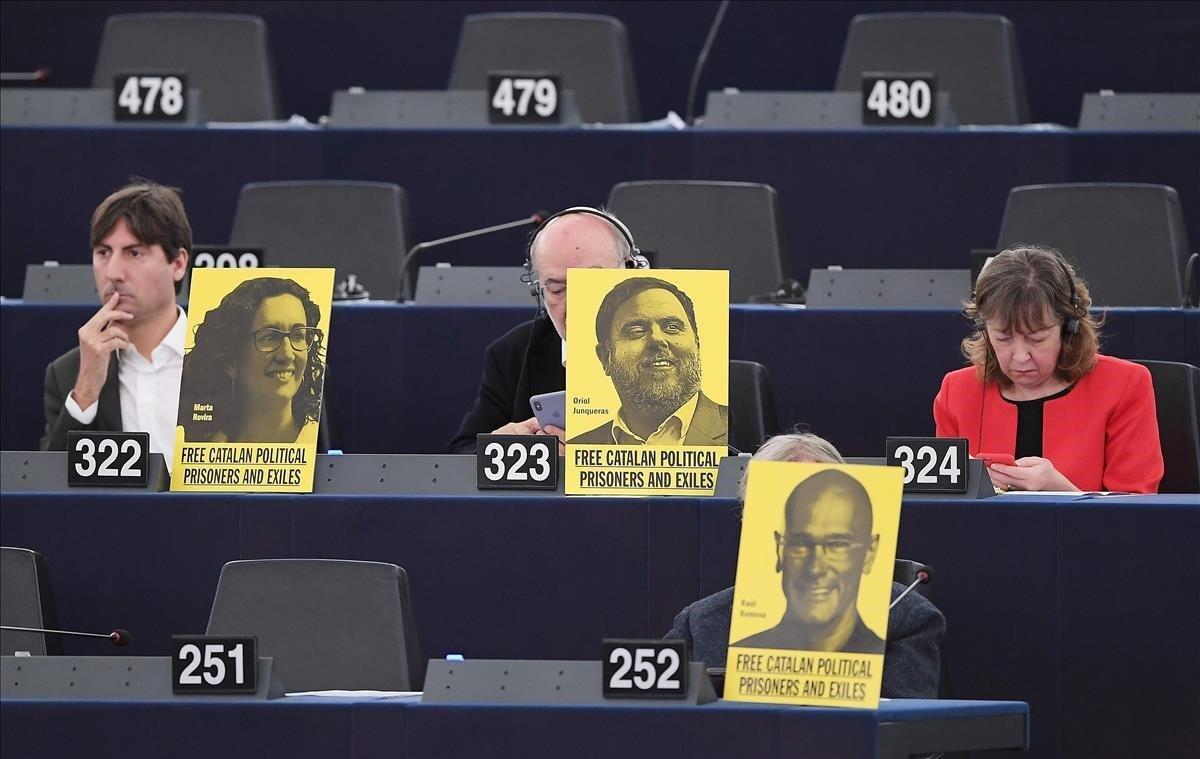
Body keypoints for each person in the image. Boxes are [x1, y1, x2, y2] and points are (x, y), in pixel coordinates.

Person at [665, 433, 944, 699]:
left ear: (868, 550)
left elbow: (906, 737)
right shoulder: (701, 623)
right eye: (800, 541)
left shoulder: (906, 620)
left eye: (836, 543)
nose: (816, 566)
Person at [934, 245, 1163, 493]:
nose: (1021, 357)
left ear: (1068, 328)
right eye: (1003, 338)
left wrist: (1064, 493)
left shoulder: (1125, 385)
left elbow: (1137, 512)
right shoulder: (956, 391)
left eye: (1037, 338)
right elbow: (942, 505)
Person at [448, 207, 641, 453]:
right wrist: (500, 448)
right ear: (539, 292)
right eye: (558, 290)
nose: (577, 303)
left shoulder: (691, 347)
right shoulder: (513, 353)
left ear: (633, 273)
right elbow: (459, 456)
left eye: (593, 283)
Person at [41, 180, 190, 467]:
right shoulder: (68, 374)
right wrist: (86, 390)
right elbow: (52, 497)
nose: (114, 273)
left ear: (178, 264)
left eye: (134, 253)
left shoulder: (232, 354)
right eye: (103, 253)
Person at [568, 276, 728, 446]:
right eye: (636, 331)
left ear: (697, 344)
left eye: (672, 327)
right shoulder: (576, 449)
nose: (657, 339)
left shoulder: (742, 432)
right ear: (605, 357)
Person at [177, 277, 325, 444]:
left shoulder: (321, 443)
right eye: (269, 337)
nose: (287, 354)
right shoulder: (202, 451)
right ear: (231, 361)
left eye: (298, 336)